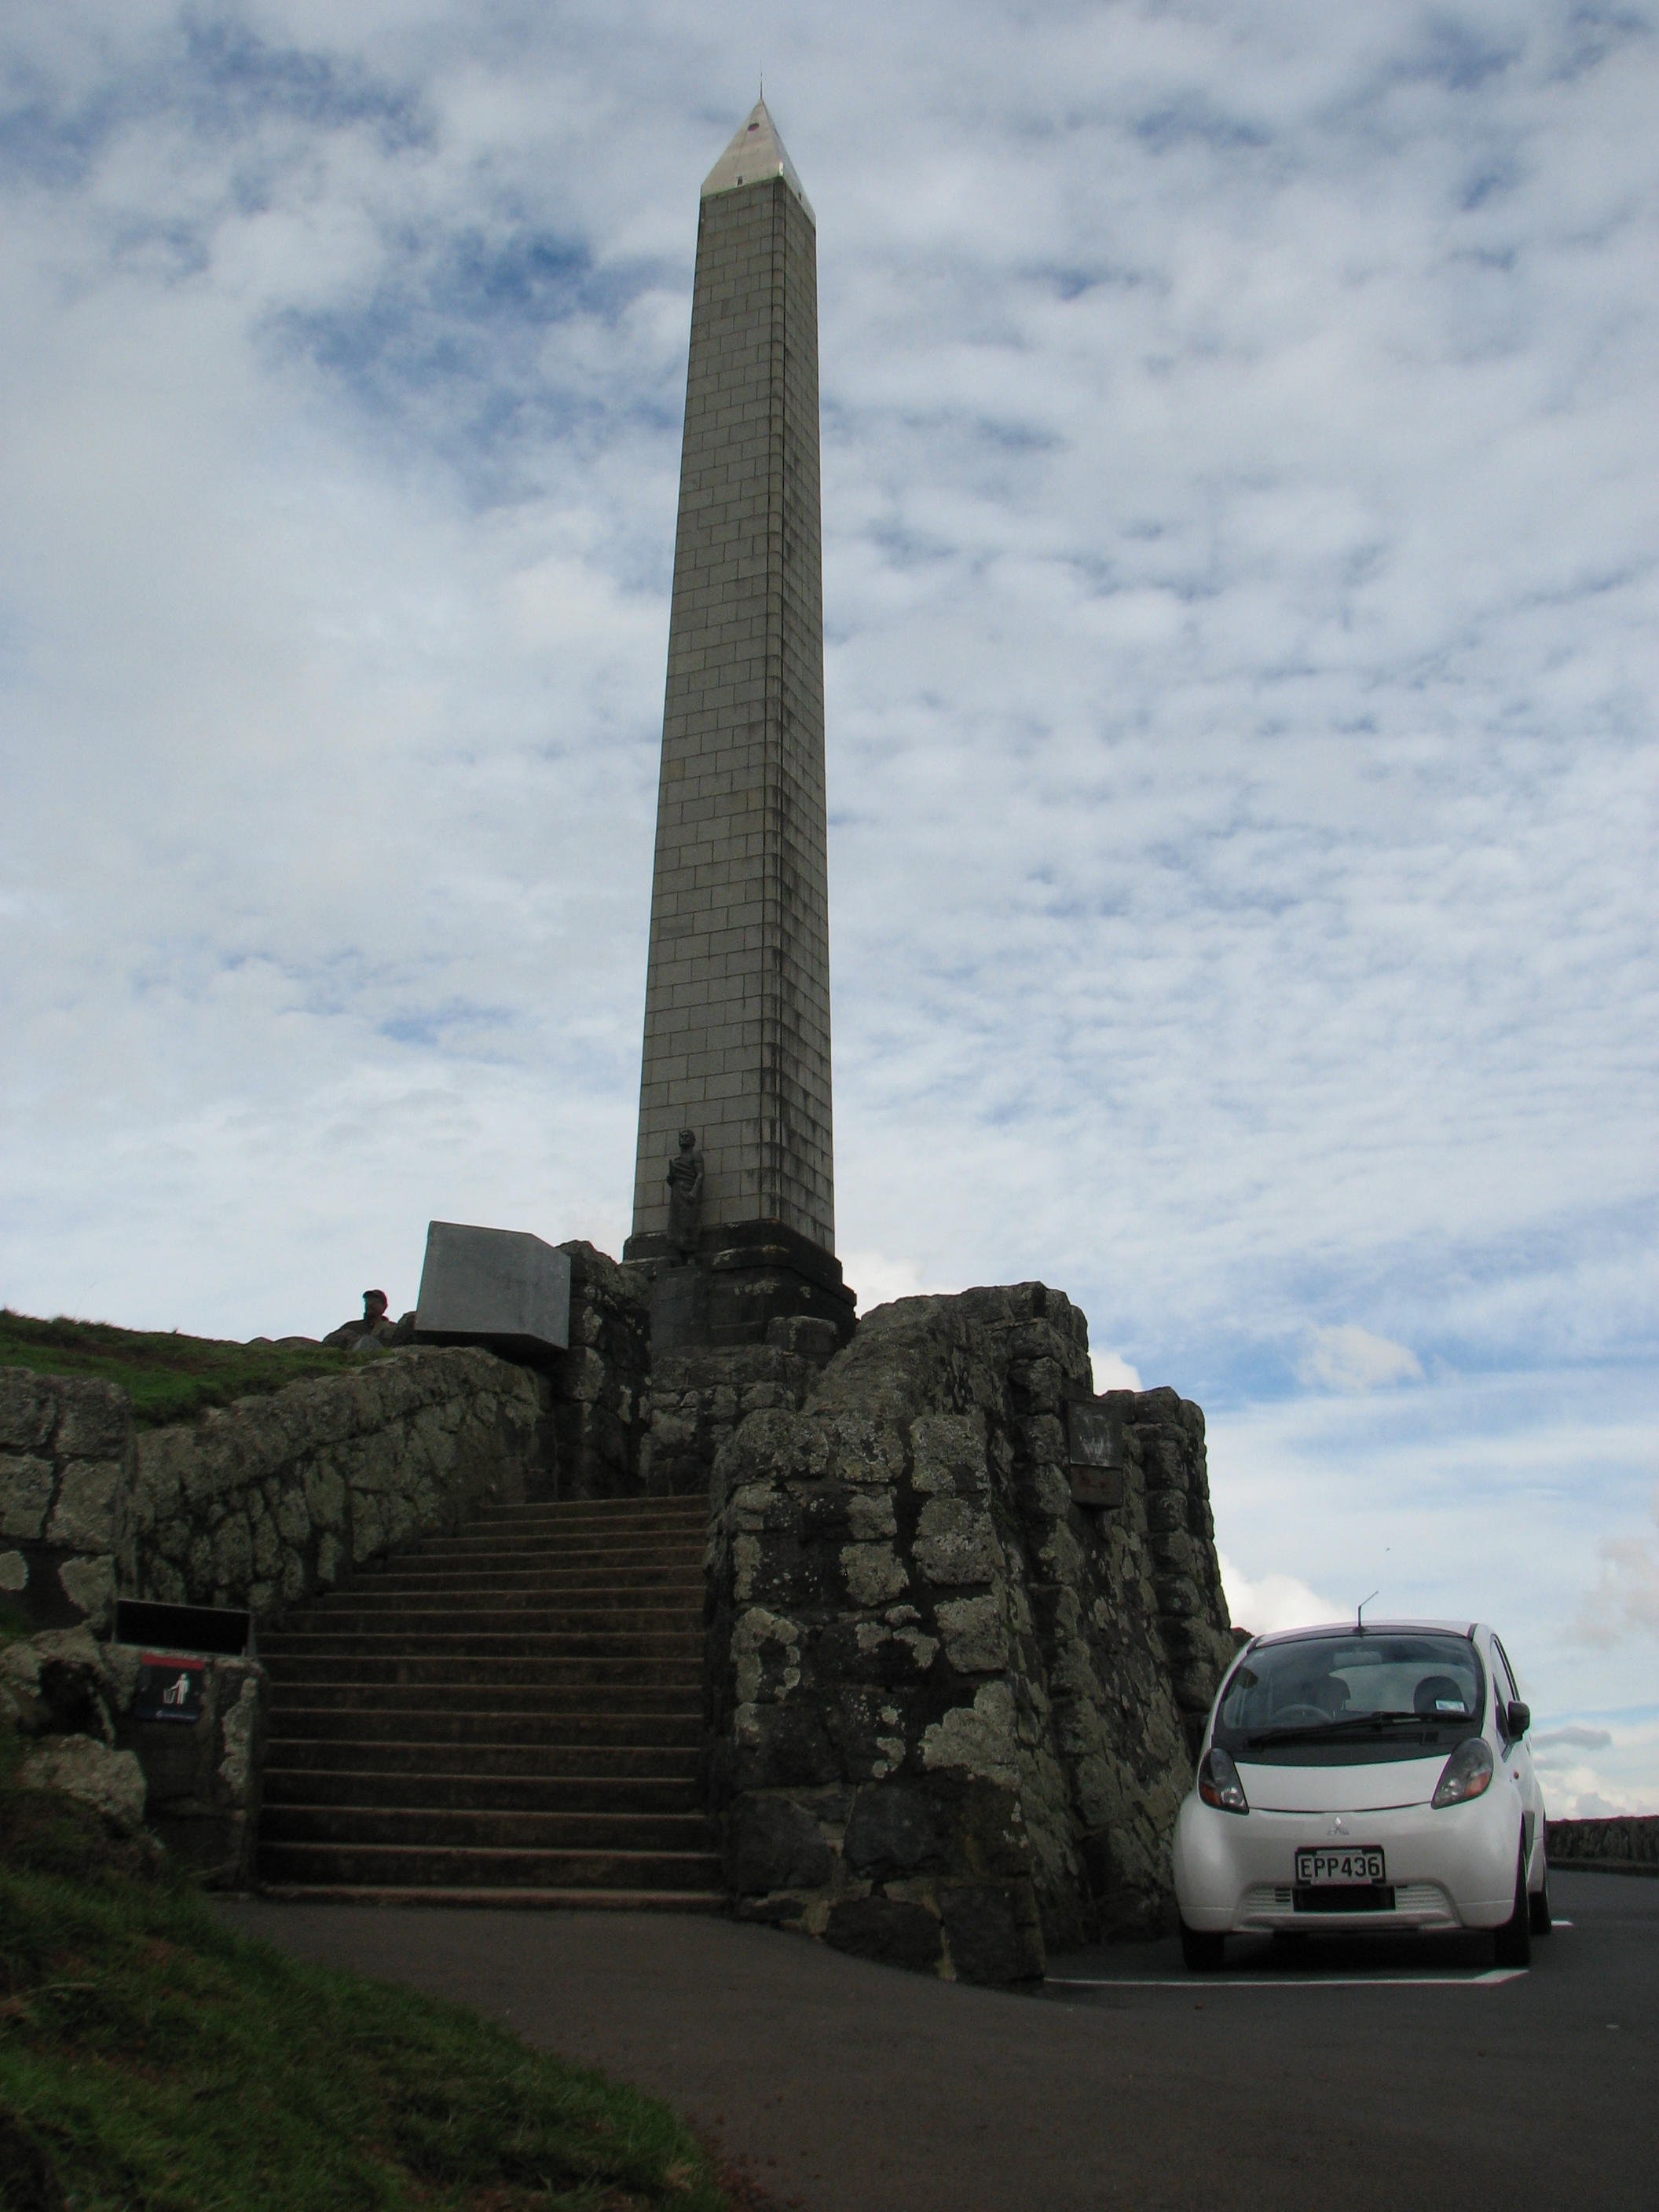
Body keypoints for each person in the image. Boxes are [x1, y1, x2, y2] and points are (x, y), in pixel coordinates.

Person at [665, 1128, 704, 1261]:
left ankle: (691, 1255)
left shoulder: (695, 1155)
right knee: (676, 1224)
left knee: (690, 1223)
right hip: (677, 1194)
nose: (684, 1138)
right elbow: (671, 1179)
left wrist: (694, 1192)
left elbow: (700, 1174)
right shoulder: (676, 1160)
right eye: (682, 1136)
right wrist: (671, 1174)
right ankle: (679, 1255)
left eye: (687, 1136)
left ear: (693, 1140)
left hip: (689, 1194)